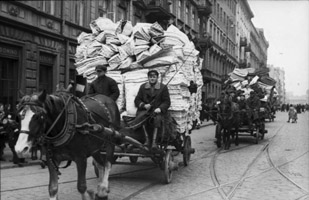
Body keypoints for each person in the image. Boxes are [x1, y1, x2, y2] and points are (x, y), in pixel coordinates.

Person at [134, 70, 171, 150]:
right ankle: (146, 140)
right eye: (150, 77)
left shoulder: (163, 87)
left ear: (157, 78)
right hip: (145, 110)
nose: (152, 79)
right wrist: (144, 105)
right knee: (140, 117)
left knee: (157, 119)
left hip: (157, 111)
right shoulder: (143, 87)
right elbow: (137, 100)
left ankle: (154, 142)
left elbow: (167, 101)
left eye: (154, 77)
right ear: (148, 78)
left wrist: (160, 108)